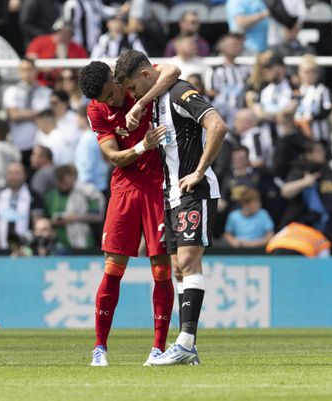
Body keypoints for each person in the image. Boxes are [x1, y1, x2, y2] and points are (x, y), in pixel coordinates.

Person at [115, 49, 227, 365]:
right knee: (178, 268)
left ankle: (186, 343)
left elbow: (217, 125)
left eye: (134, 88)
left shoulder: (179, 92)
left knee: (189, 263)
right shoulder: (157, 102)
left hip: (194, 190)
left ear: (146, 75)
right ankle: (185, 348)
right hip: (172, 195)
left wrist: (199, 171)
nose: (136, 95)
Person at [79, 60, 180, 367]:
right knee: (113, 267)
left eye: (111, 92)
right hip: (124, 190)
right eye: (103, 98)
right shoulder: (97, 109)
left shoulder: (134, 79)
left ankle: (158, 348)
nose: (110, 100)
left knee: (161, 268)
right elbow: (112, 156)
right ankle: (99, 348)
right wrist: (142, 147)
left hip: (157, 187)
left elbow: (173, 70)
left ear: (115, 78)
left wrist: (141, 105)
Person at [266, 221, 332, 257]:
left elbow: (273, 240)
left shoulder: (291, 227)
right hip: (301, 251)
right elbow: (324, 260)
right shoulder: (318, 235)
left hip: (277, 248)